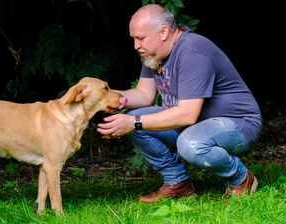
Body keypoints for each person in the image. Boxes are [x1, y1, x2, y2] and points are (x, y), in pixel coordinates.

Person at [97, 4, 262, 203]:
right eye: (133, 39)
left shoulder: (193, 51)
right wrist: (105, 96)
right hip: (196, 124)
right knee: (133, 118)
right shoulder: (153, 54)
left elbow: (187, 114)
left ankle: (241, 179)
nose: (136, 46)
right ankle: (178, 183)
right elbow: (143, 94)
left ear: (163, 32)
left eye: (140, 38)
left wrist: (133, 123)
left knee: (187, 143)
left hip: (238, 125)